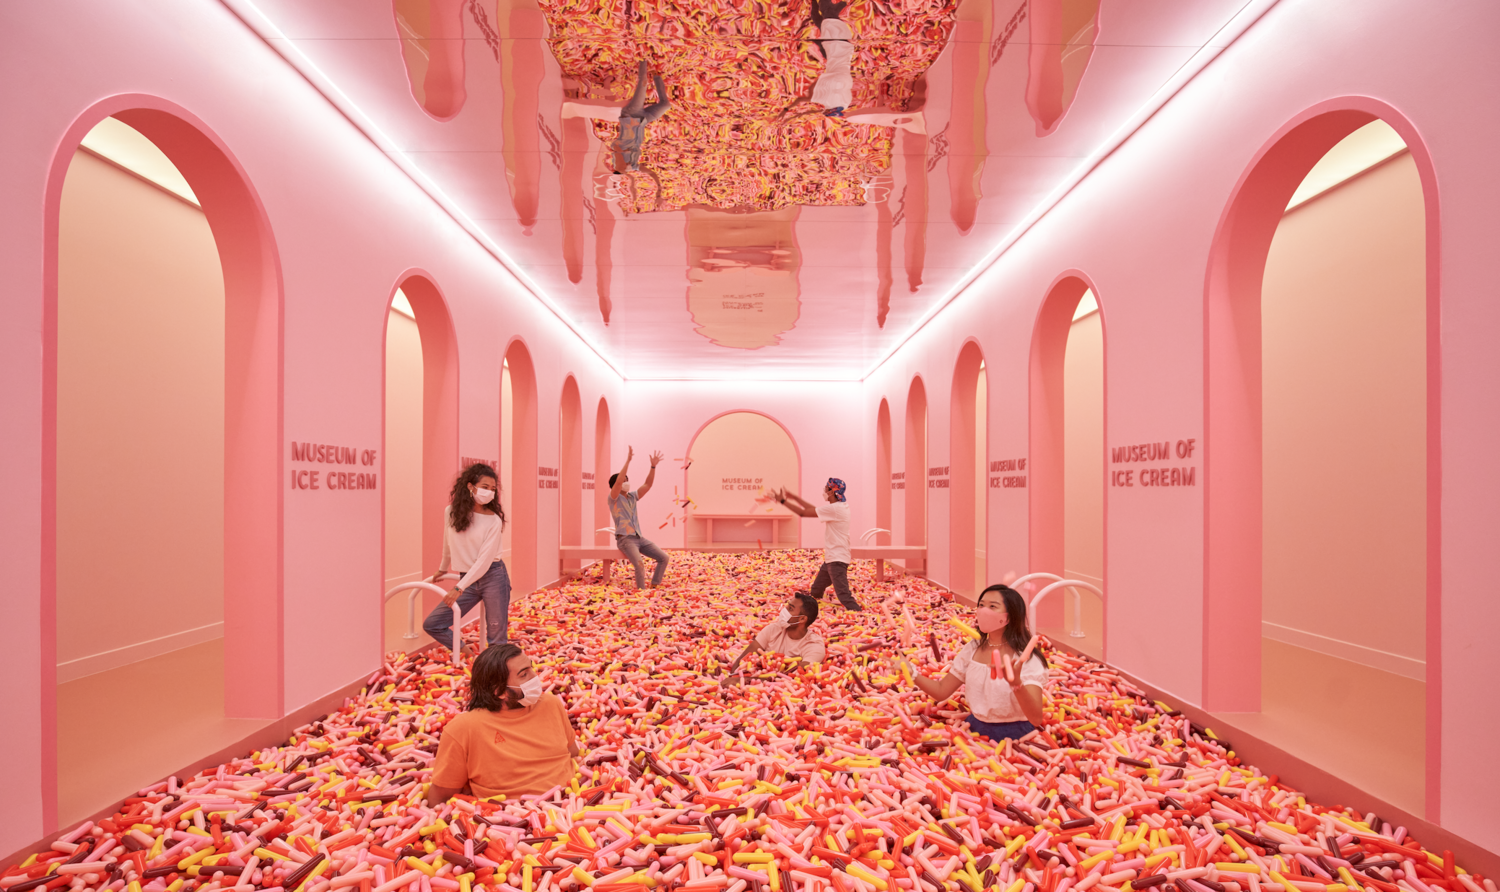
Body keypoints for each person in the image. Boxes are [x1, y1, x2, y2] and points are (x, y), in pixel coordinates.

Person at [425, 644, 579, 804]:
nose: (535, 677)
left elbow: (572, 752)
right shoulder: (464, 729)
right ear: (499, 691)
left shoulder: (550, 704)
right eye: (524, 674)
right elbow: (441, 797)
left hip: (571, 804)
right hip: (507, 821)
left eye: (531, 669)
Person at [896, 584, 1047, 742]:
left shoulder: (1026, 658)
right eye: (981, 605)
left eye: (992, 606)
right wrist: (910, 671)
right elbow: (941, 691)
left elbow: (1036, 718)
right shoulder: (973, 648)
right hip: (974, 729)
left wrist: (1016, 684)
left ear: (1008, 617)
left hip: (1016, 736)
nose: (983, 610)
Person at [423, 463, 512, 649]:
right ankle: (465, 653)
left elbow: (485, 561)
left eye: (493, 489)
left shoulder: (493, 520)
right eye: (485, 487)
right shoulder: (451, 512)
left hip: (493, 576)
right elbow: (448, 543)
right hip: (467, 579)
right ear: (470, 486)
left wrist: (458, 588)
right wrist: (442, 568)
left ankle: (494, 673)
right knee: (433, 624)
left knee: (496, 636)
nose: (489, 492)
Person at [776, 479, 862, 610]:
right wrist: (795, 498)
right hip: (832, 558)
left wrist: (783, 501)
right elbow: (812, 509)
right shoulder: (840, 506)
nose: (824, 491)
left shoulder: (835, 509)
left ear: (832, 492)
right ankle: (817, 604)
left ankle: (858, 612)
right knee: (816, 590)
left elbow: (803, 513)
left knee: (844, 595)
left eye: (826, 488)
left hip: (837, 559)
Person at [723, 593, 826, 683]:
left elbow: (792, 677)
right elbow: (745, 656)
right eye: (787, 607)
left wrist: (743, 681)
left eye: (790, 609)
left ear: (802, 619)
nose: (784, 611)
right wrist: (733, 675)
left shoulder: (814, 645)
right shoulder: (773, 629)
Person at [780, 0, 854, 120]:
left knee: (817, 17)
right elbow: (805, 102)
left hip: (838, 48)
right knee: (827, 13)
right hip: (837, 46)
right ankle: (836, 8)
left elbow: (814, 110)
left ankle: (831, 6)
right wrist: (787, 112)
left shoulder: (839, 99)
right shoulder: (830, 97)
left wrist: (793, 114)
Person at [608, 446, 670, 589]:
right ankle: (641, 591)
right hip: (625, 539)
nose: (626, 482)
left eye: (627, 479)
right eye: (624, 480)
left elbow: (647, 485)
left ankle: (655, 584)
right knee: (639, 563)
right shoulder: (613, 498)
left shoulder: (632, 496)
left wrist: (653, 467)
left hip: (639, 537)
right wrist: (628, 461)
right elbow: (617, 483)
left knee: (664, 558)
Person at [612, 60, 671, 173]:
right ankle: (656, 76)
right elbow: (646, 171)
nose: (628, 169)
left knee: (643, 83)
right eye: (627, 170)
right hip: (643, 120)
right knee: (665, 105)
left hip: (631, 114)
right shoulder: (633, 164)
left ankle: (643, 59)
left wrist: (624, 155)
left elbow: (614, 145)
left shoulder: (619, 153)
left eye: (624, 169)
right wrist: (657, 184)